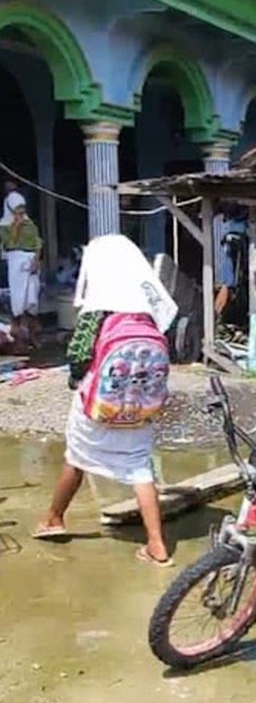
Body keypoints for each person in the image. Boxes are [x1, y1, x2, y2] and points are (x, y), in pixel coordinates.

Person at [33, 234, 179, 567]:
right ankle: (157, 545)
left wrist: (76, 382)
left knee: (77, 457)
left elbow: (79, 357)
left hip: (100, 404)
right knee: (139, 468)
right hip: (140, 405)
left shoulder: (97, 311)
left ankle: (54, 519)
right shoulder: (150, 310)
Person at [1, 196, 42, 345]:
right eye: (17, 210)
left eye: (22, 209)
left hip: (31, 262)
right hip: (16, 263)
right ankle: (18, 338)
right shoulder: (3, 226)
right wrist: (15, 227)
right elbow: (8, 244)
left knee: (32, 300)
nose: (21, 213)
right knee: (18, 300)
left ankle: (33, 335)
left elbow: (38, 242)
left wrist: (36, 260)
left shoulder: (30, 224)